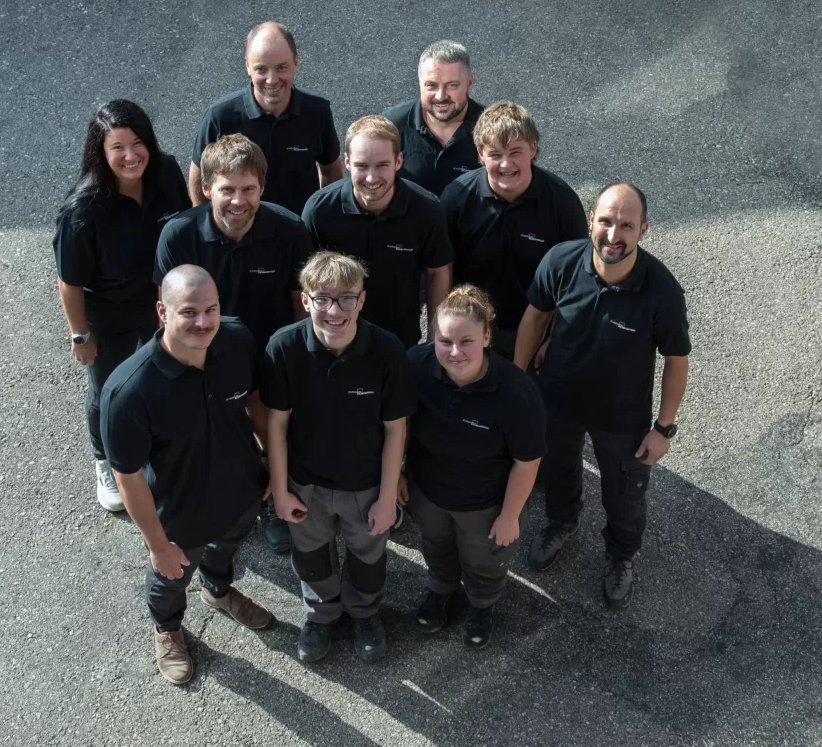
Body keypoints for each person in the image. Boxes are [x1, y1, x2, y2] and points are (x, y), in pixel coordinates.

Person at [513, 182, 691, 610]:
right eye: (607, 221)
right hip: (557, 402)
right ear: (591, 220)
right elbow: (535, 317)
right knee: (556, 473)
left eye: (626, 226)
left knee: (624, 496)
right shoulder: (560, 261)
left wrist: (663, 428)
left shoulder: (662, 291)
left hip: (622, 419)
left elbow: (676, 361)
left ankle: (621, 556)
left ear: (643, 230)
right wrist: (519, 387)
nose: (614, 235)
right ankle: (561, 522)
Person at [100, 266, 273, 686]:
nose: (202, 322)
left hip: (242, 489)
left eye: (210, 309)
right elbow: (128, 478)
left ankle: (217, 592)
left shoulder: (235, 340)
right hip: (180, 511)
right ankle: (168, 628)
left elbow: (255, 401)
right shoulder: (128, 392)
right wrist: (158, 545)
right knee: (171, 575)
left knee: (226, 549)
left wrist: (270, 462)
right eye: (189, 312)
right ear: (162, 311)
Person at [154, 133, 313, 554]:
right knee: (216, 439)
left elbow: (301, 305)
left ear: (262, 186)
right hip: (205, 356)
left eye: (248, 189)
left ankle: (276, 501)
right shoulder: (178, 236)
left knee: (274, 429)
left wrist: (302, 363)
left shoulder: (290, 230)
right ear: (207, 189)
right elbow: (168, 312)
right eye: (227, 190)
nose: (238, 201)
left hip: (266, 353)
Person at [262, 252, 416, 664]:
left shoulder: (386, 351)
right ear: (305, 301)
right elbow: (275, 425)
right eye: (323, 299)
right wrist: (279, 491)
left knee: (368, 557)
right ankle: (321, 615)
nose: (335, 311)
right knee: (311, 558)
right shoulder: (284, 347)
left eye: (347, 298)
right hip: (305, 485)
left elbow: (395, 428)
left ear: (362, 300)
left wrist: (387, 498)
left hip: (365, 485)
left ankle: (365, 614)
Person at [52, 99, 190, 513]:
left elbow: (183, 225)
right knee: (109, 390)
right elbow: (69, 282)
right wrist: (81, 335)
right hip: (108, 313)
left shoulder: (166, 171)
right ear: (101, 153)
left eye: (137, 143)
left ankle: (159, 446)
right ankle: (106, 460)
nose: (131, 156)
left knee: (165, 377)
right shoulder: (82, 210)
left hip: (160, 305)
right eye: (118, 148)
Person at [401, 285, 545, 648]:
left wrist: (510, 516)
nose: (454, 352)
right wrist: (400, 473)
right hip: (428, 491)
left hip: (486, 503)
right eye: (444, 340)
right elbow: (399, 425)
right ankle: (441, 589)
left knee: (484, 560)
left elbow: (526, 463)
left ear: (487, 336)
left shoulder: (516, 392)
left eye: (466, 341)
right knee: (436, 544)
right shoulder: (415, 366)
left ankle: (482, 604)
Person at [440, 101, 586, 359]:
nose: (506, 165)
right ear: (480, 154)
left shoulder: (563, 203)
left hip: (535, 329)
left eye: (515, 152)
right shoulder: (456, 198)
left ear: (533, 148)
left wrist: (554, 338)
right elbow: (440, 270)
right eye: (495, 154)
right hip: (469, 330)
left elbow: (575, 283)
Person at [302, 115, 454, 348]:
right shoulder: (320, 211)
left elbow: (437, 273)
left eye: (382, 165)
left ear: (399, 161)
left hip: (399, 339)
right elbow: (304, 281)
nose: (371, 178)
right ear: (347, 162)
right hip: (334, 339)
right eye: (362, 166)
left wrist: (435, 339)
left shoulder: (426, 209)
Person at [188, 21, 342, 216]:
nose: (271, 79)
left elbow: (331, 171)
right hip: (241, 231)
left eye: (281, 68)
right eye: (261, 69)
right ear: (247, 66)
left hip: (298, 231)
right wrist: (207, 222)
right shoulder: (220, 116)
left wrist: (321, 217)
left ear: (296, 63)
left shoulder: (317, 111)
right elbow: (199, 177)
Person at [382, 40, 484, 196]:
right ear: (420, 83)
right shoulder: (390, 126)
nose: (441, 96)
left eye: (452, 85)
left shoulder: (491, 128)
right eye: (431, 85)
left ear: (469, 83)